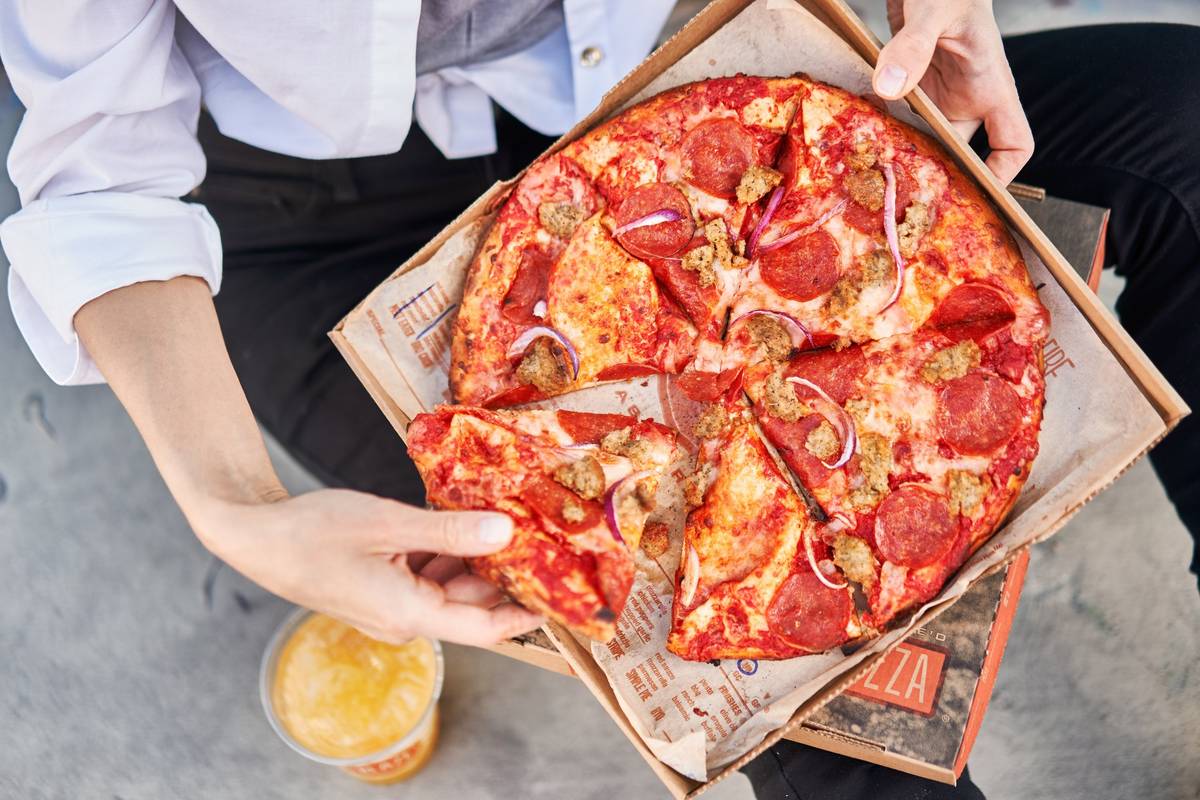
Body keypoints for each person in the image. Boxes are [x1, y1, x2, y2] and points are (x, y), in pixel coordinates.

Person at [1, 2, 1196, 797]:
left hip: (692, 72)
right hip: (318, 221)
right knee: (814, 716)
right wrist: (230, 501)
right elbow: (100, 174)